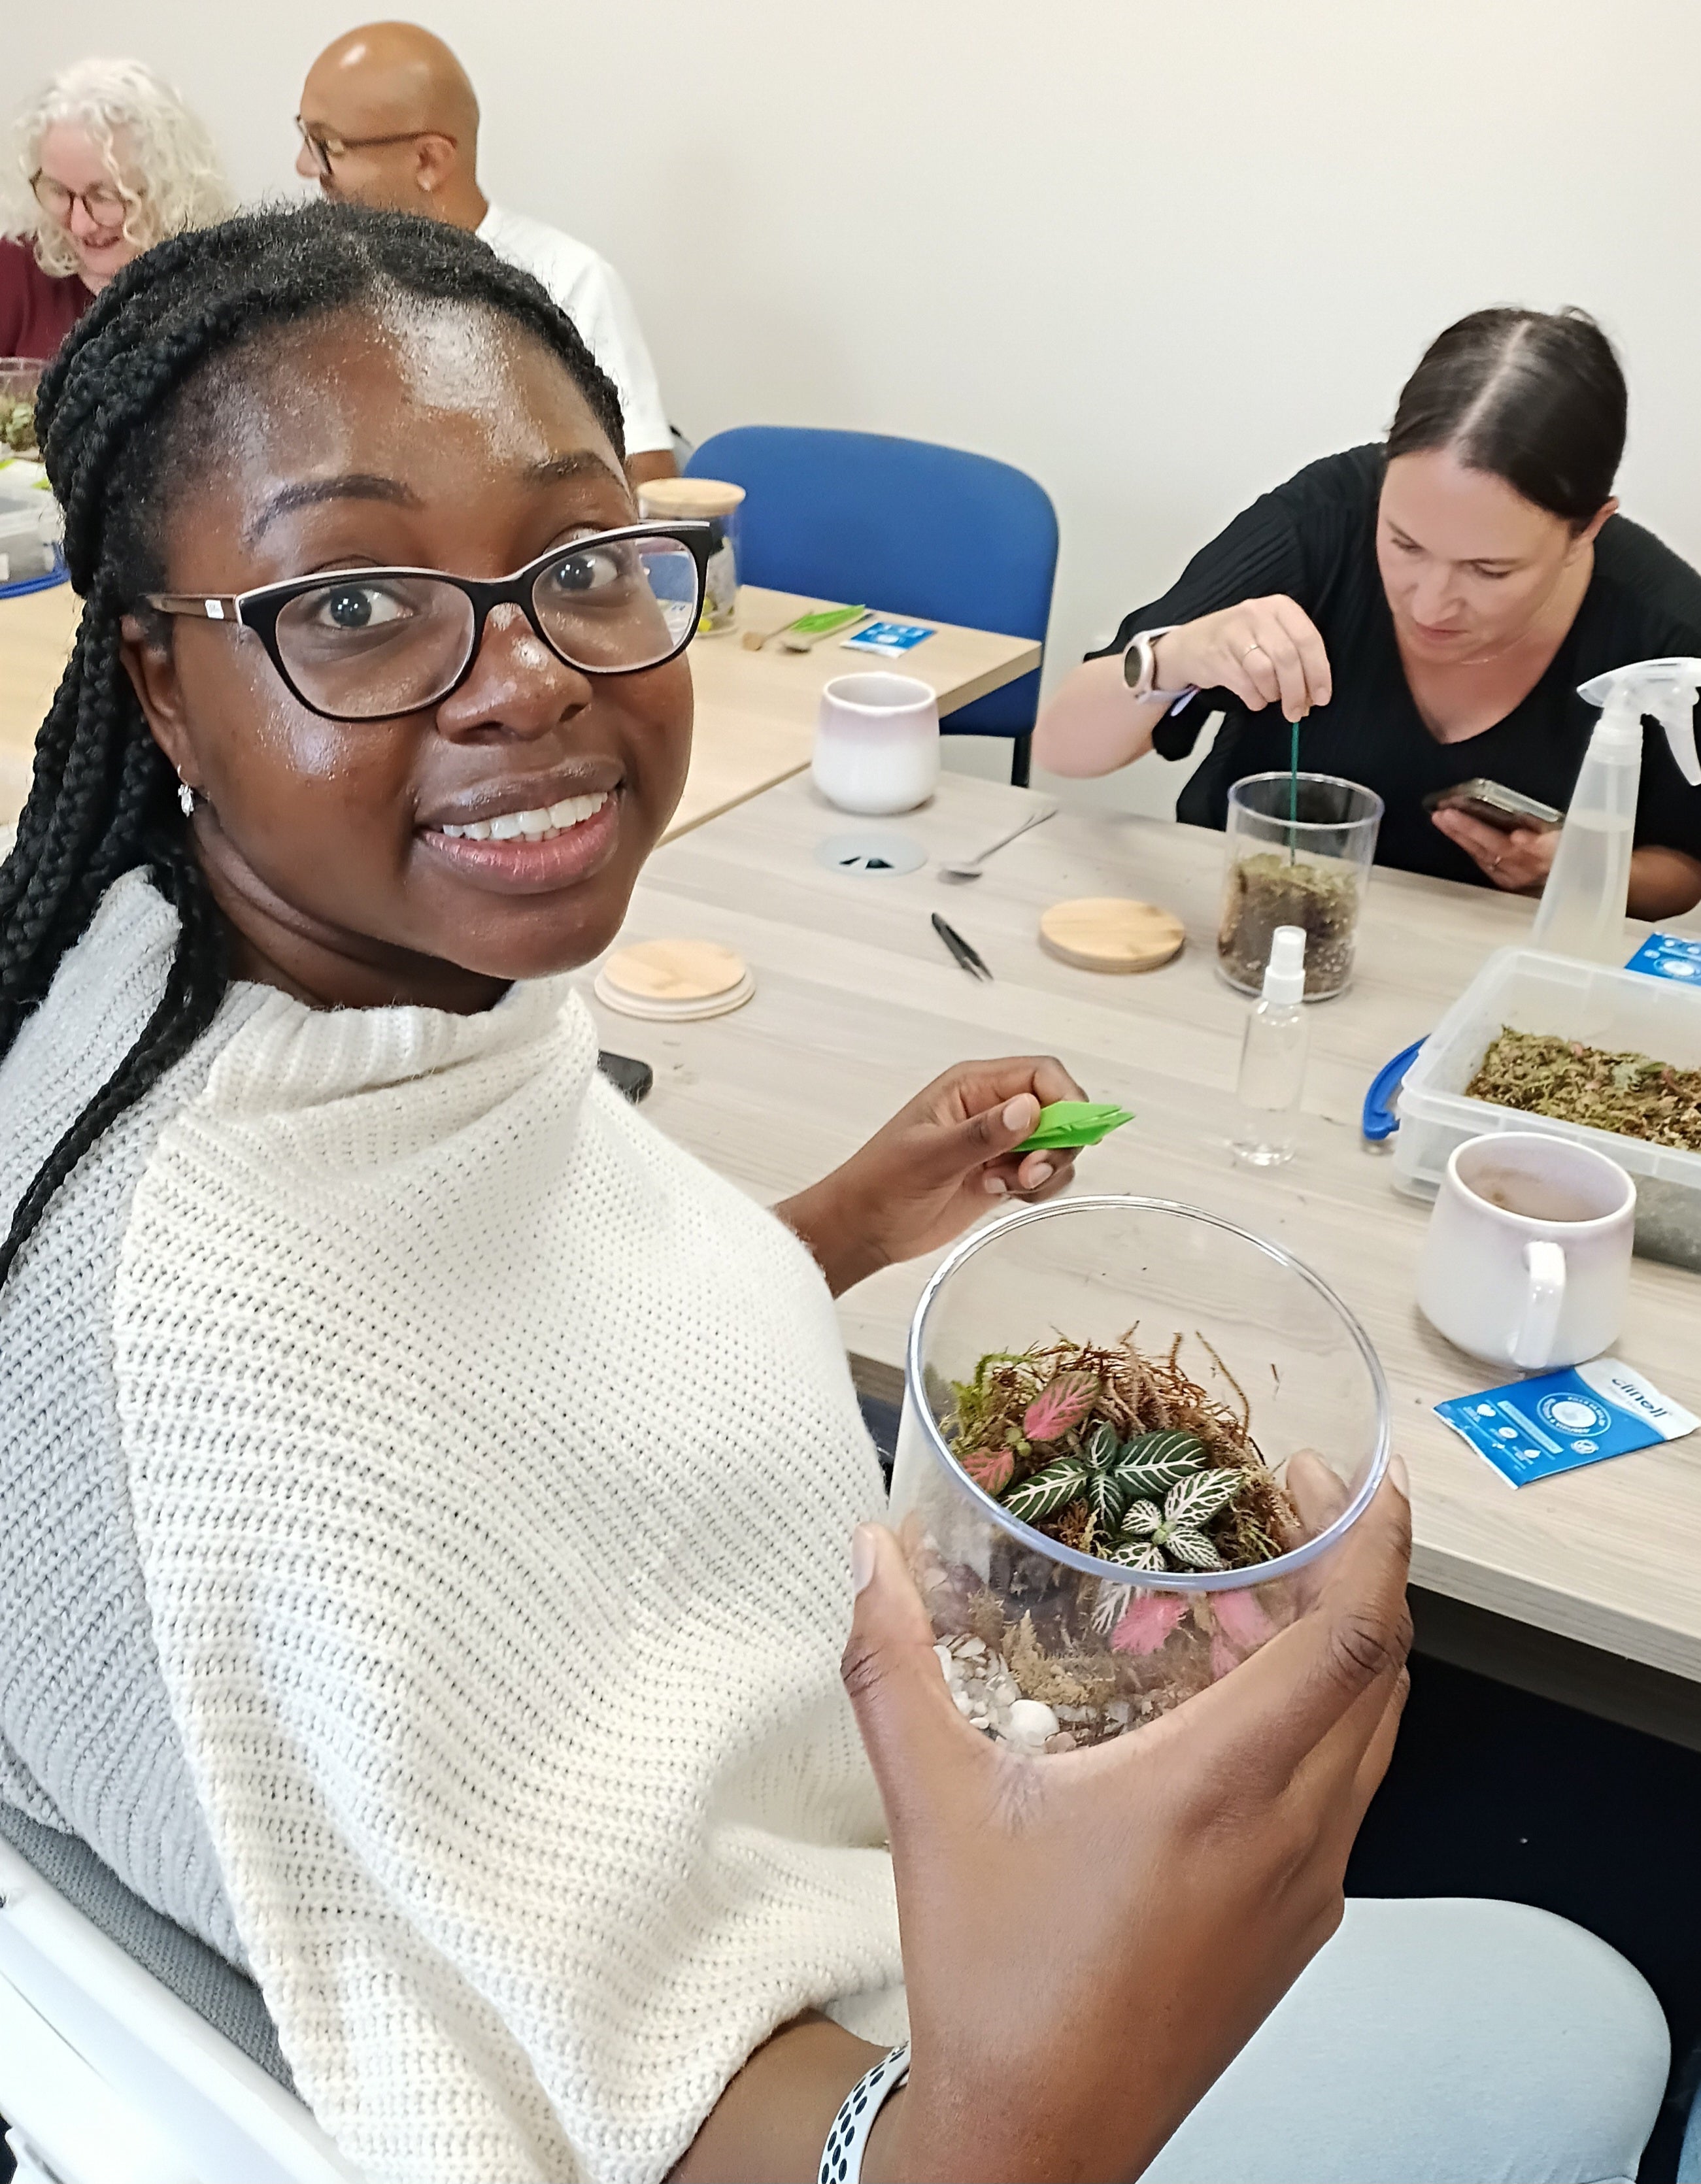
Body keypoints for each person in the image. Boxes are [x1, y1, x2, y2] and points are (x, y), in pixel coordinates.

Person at [0, 203, 1667, 2184]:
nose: (524, 678)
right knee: (1592, 1990)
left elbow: (483, 1384)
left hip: (866, 1816)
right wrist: (1082, 2060)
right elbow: (648, 2082)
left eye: (583, 562)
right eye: (354, 600)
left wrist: (845, 1223)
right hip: (925, 2051)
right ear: (160, 682)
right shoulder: (208, 1368)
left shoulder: (344, 997)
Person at [1036, 308, 1701, 921]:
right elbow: (1061, 747)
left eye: (1489, 570)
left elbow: (1682, 868)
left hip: (1480, 963)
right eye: (1404, 543)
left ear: (1588, 529)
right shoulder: (1319, 524)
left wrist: (1577, 871)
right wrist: (1175, 656)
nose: (1429, 603)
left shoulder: (1665, 631)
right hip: (1243, 928)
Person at [294, 20, 679, 484]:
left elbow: (644, 481)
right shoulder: (324, 287)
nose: (305, 167)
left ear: (429, 160)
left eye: (327, 145)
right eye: (305, 137)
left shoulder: (569, 279)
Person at [1, 56, 229, 359]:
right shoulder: (13, 270)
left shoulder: (219, 286)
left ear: (164, 186)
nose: (80, 225)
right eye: (59, 192)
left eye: (105, 196)